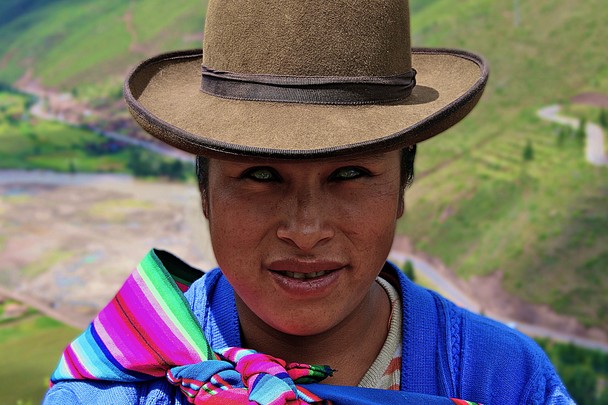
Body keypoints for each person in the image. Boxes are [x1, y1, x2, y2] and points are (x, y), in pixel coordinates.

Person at [44, 0, 573, 403]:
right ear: (205, 192)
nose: (304, 230)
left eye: (350, 173)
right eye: (260, 174)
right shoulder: (121, 386)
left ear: (401, 187)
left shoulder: (504, 379)